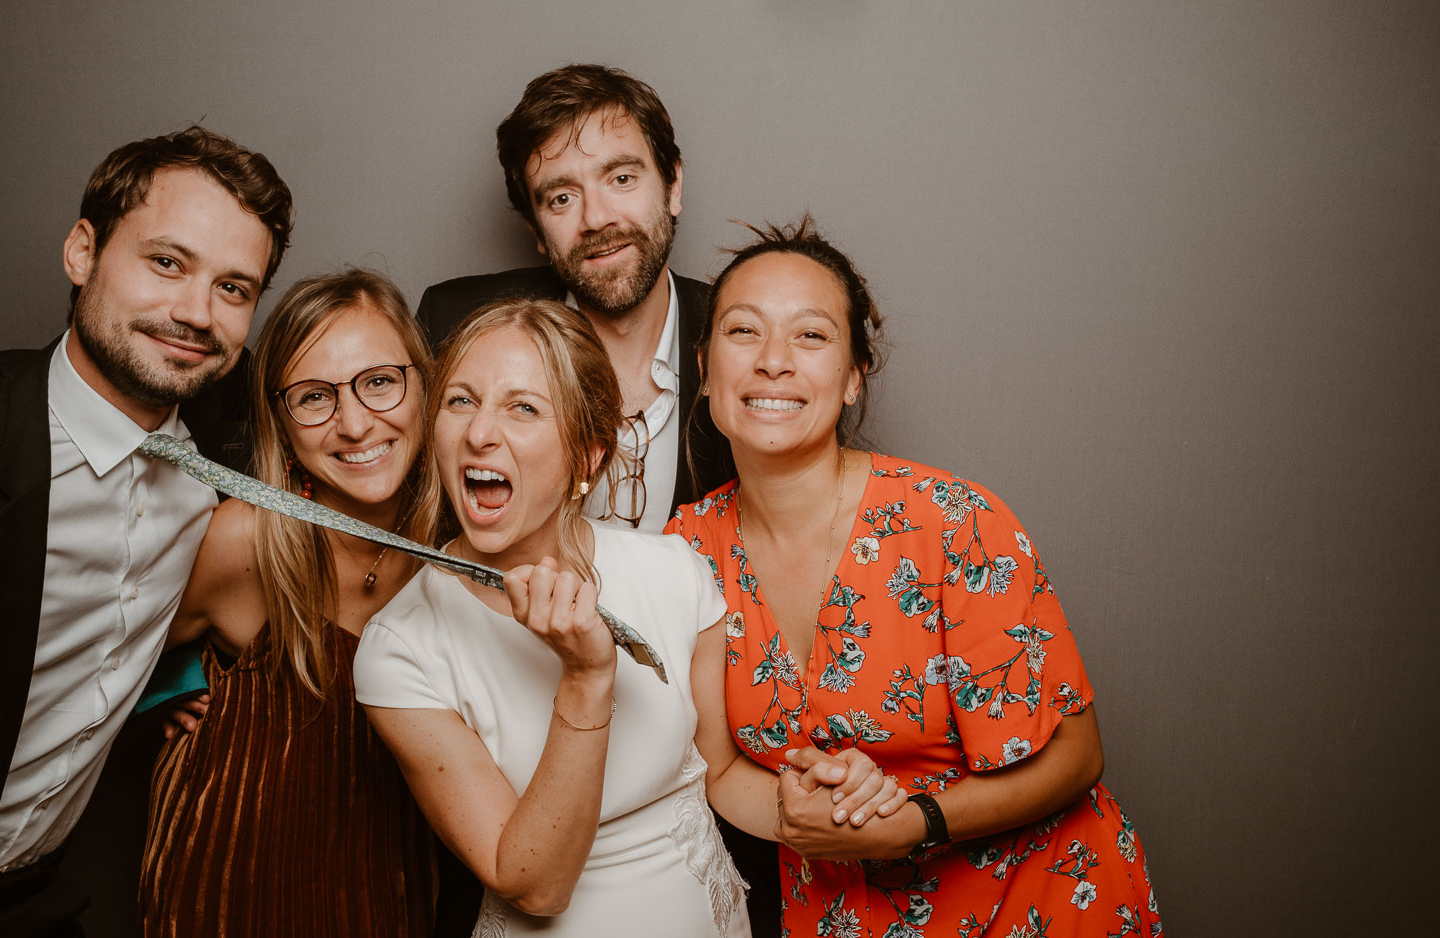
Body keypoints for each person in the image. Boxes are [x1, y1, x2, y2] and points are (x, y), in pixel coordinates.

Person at [669, 218, 1163, 937]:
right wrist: (797, 811)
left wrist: (916, 822)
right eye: (743, 331)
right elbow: (714, 771)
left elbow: (1078, 754)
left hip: (1038, 900)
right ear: (707, 366)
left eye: (810, 336)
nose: (773, 361)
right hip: (852, 914)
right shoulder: (685, 553)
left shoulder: (954, 524)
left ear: (851, 377)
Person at [352, 299, 904, 937]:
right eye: (460, 401)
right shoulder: (400, 648)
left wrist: (809, 806)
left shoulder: (674, 571)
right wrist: (588, 678)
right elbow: (534, 883)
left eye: (524, 407)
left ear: (587, 456)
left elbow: (720, 776)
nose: (480, 433)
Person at [0, 126, 292, 936]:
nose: (195, 313)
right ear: (82, 252)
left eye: (234, 289)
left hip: (29, 903)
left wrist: (170, 694)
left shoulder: (220, 478)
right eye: (166, 262)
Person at [137, 269, 442, 935]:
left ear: (425, 383)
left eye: (380, 381)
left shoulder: (462, 548)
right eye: (313, 397)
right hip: (234, 890)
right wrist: (167, 685)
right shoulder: (246, 539)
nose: (356, 423)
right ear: (282, 419)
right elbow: (91, 645)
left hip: (388, 890)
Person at [416, 64, 734, 533]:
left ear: (673, 185)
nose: (597, 218)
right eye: (561, 198)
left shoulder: (741, 339)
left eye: (622, 179)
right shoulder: (453, 323)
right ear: (536, 230)